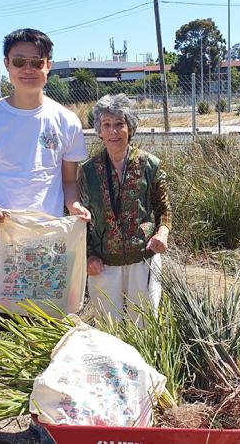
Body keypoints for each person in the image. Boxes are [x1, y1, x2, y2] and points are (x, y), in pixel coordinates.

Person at [0, 28, 90, 422]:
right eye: (20, 62)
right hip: (0, 245)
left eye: (37, 62)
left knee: (44, 340)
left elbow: (69, 180)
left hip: (47, 250)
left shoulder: (65, 121)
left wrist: (75, 205)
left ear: (49, 67)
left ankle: (41, 421)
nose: (28, 69)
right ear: (7, 66)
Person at [80, 94, 171, 324]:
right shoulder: (88, 171)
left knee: (144, 325)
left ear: (130, 127)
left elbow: (164, 208)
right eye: (106, 125)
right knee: (109, 330)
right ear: (99, 131)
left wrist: (162, 233)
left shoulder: (150, 164)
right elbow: (78, 219)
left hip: (143, 260)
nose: (113, 132)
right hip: (103, 265)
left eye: (119, 124)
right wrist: (88, 255)